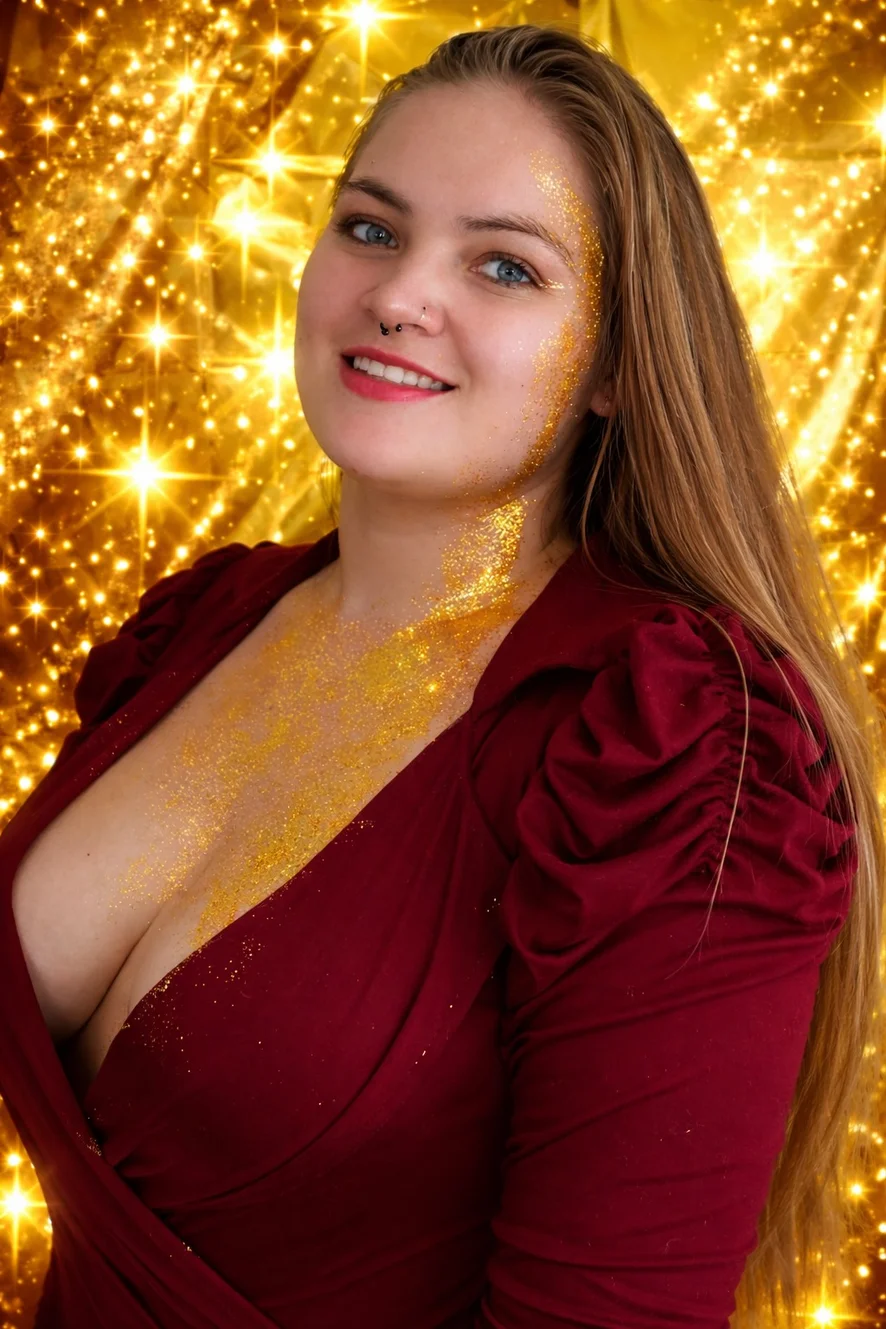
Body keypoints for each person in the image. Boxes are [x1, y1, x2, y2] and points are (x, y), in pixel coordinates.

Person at [0, 22, 880, 1329]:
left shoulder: (678, 749)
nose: (402, 294)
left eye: (504, 265)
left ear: (618, 362)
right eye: (370, 228)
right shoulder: (204, 622)